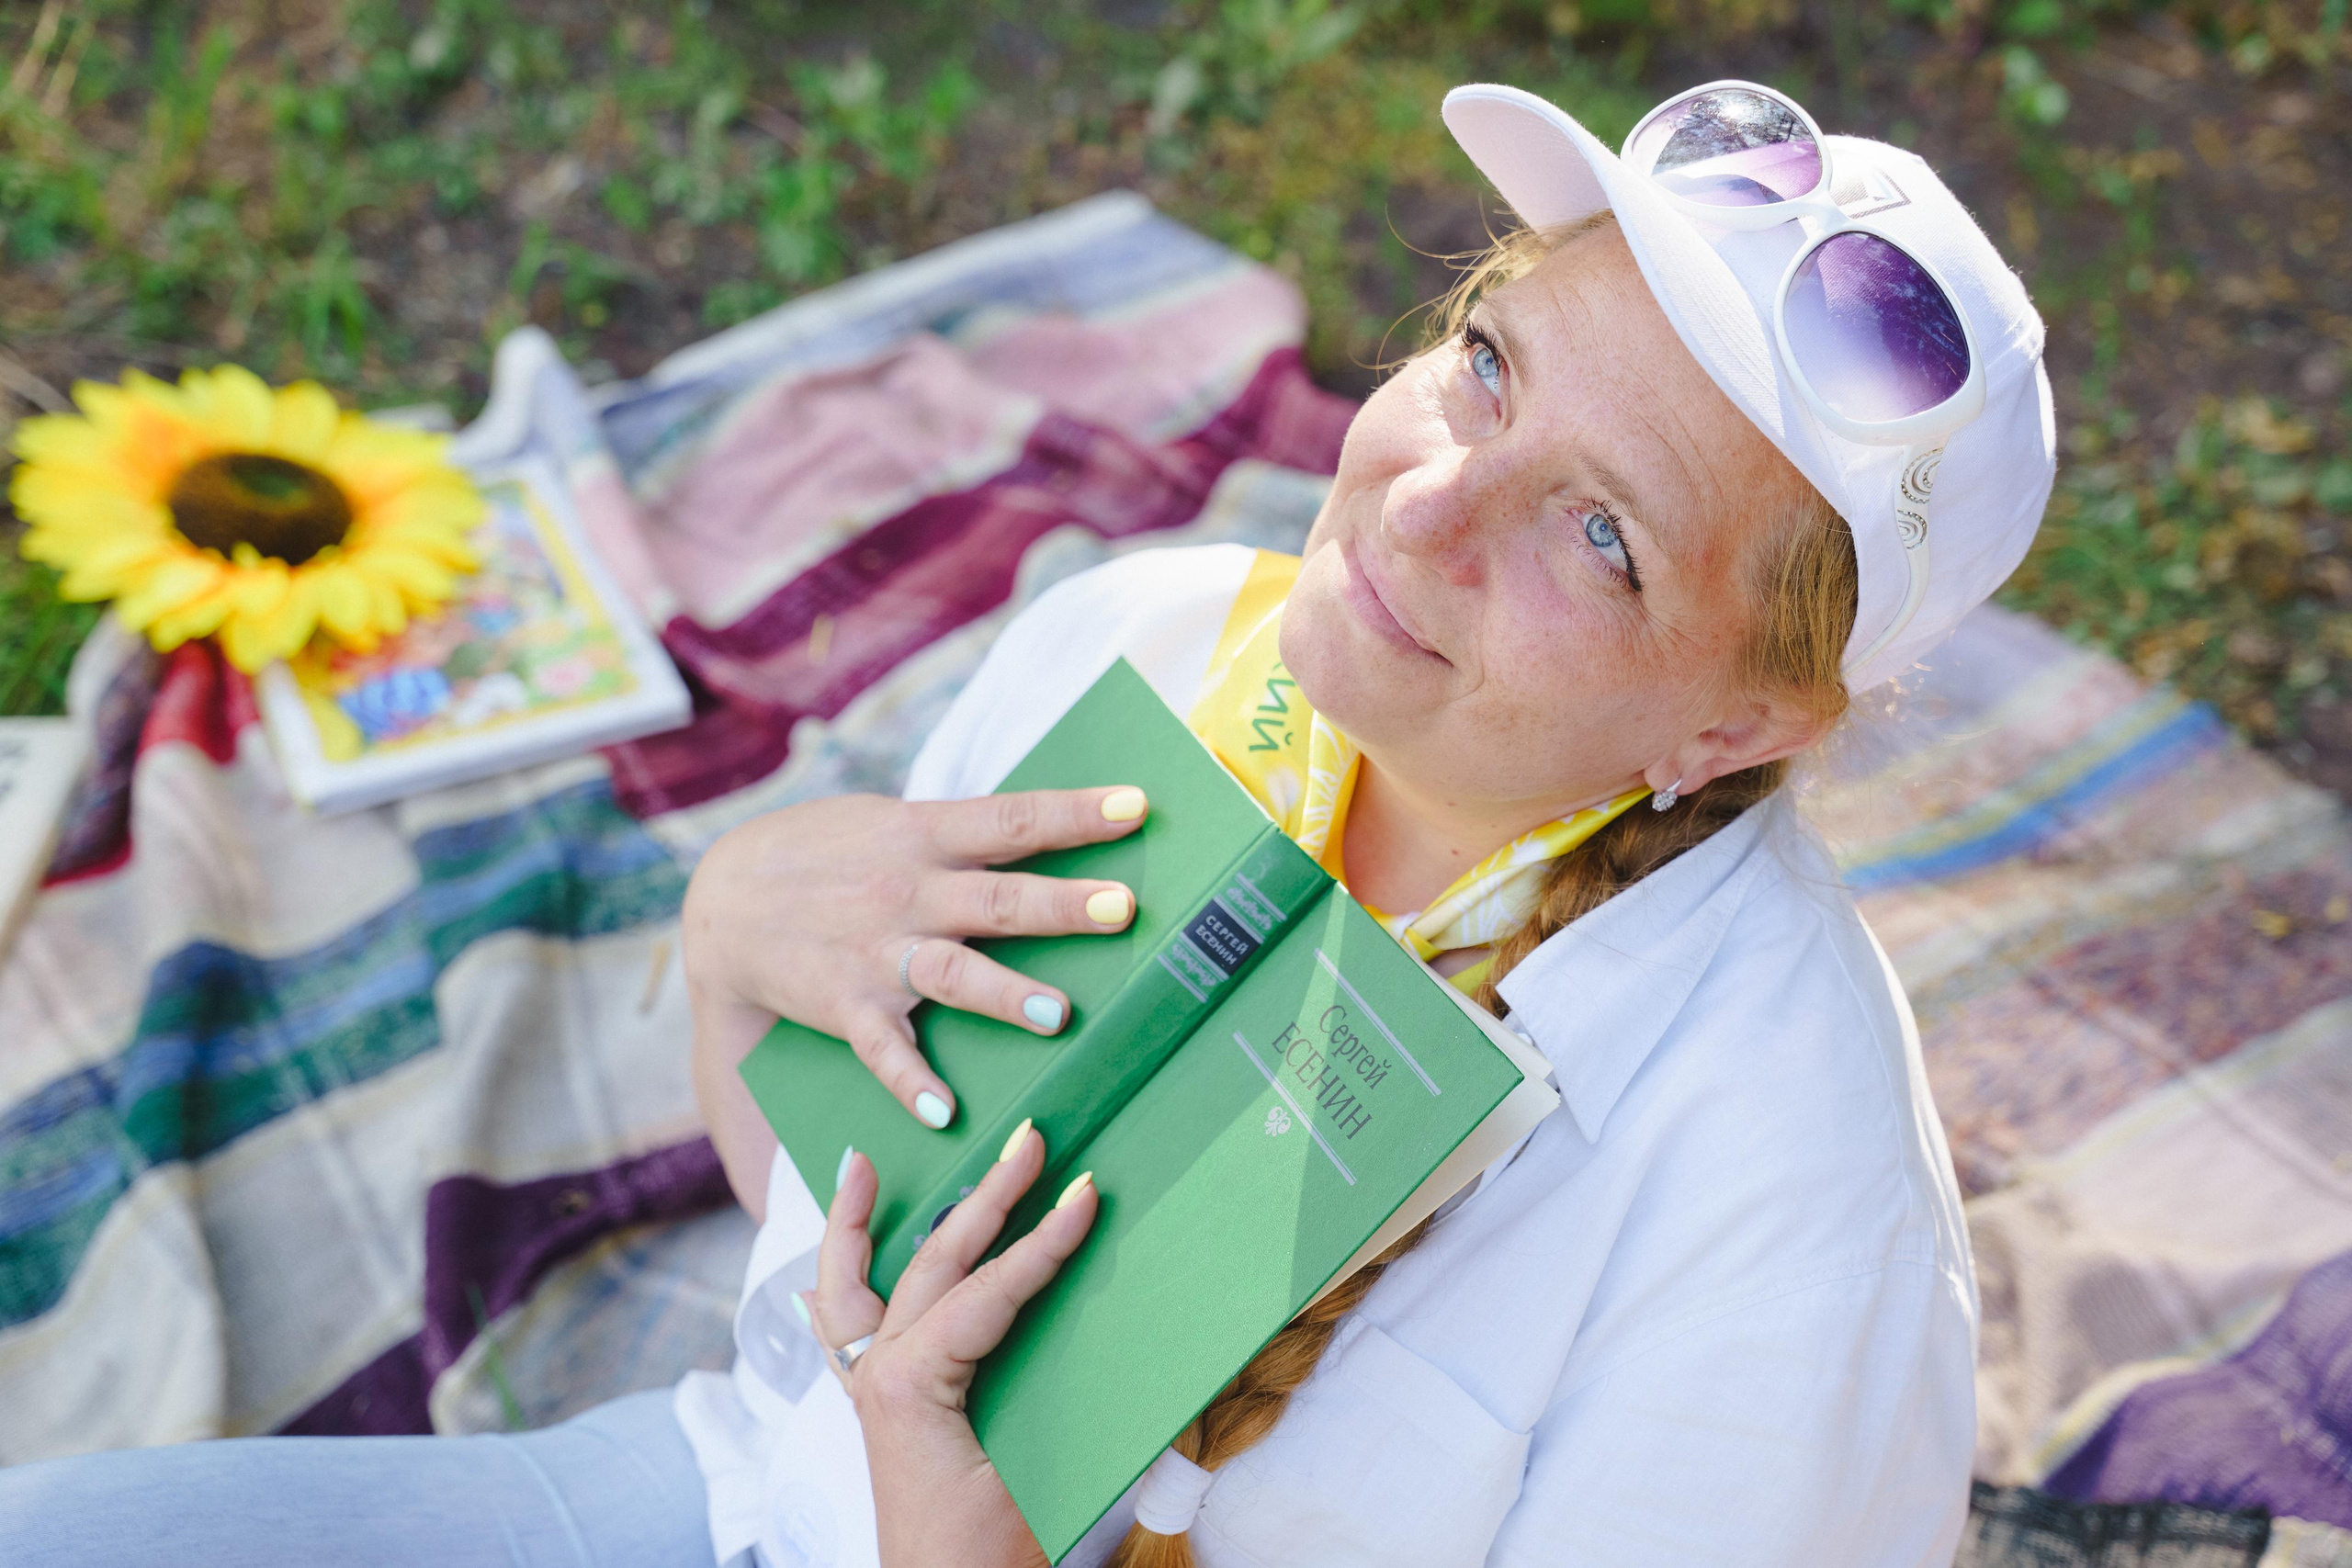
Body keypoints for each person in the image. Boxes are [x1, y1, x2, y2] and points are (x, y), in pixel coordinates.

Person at [0, 78, 2052, 1568]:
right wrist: (730, 948)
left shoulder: (1791, 1221)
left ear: (1743, 712)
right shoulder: (1152, 643)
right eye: (1485, 363)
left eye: (1595, 532)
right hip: (725, 1506)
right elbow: (836, 1238)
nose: (1422, 503)